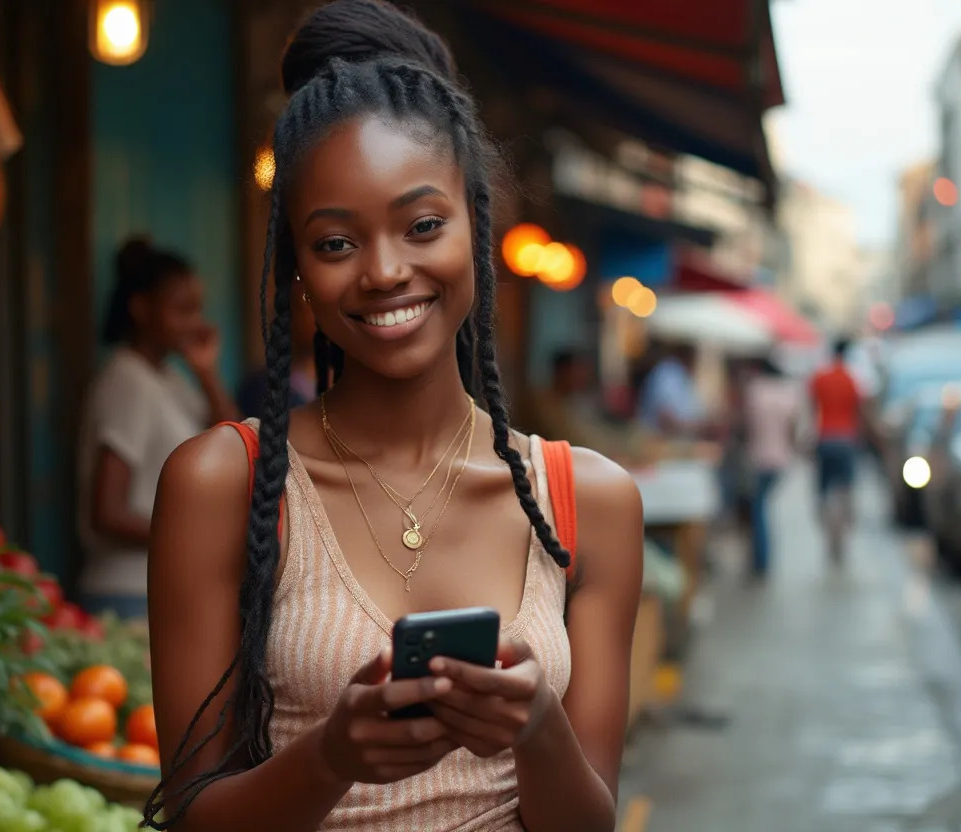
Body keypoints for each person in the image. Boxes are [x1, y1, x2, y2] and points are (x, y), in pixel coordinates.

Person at [142, 3, 644, 830]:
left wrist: (538, 730)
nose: (383, 271)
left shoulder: (587, 502)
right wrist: (333, 755)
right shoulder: (222, 484)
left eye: (421, 226)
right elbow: (196, 821)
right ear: (295, 266)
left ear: (478, 229)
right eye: (335, 243)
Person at [76, 237, 239, 620]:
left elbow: (237, 444)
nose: (196, 322)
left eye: (198, 309)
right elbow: (108, 512)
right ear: (141, 309)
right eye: (182, 310)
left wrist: (206, 373)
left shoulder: (168, 378)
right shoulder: (127, 381)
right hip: (126, 593)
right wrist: (194, 537)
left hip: (157, 588)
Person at [743, 356, 800, 578]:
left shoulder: (755, 390)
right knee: (762, 507)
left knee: (759, 508)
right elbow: (792, 428)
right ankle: (762, 557)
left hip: (758, 457)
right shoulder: (787, 393)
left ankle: (761, 559)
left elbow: (747, 424)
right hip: (781, 458)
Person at [808, 338, 862, 563]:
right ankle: (840, 534)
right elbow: (858, 411)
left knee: (823, 491)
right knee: (844, 491)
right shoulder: (852, 380)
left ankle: (829, 533)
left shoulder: (820, 378)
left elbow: (812, 409)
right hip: (846, 440)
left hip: (824, 438)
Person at [637, 339, 703, 437]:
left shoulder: (683, 375)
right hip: (658, 439)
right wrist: (695, 427)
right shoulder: (668, 373)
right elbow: (665, 417)